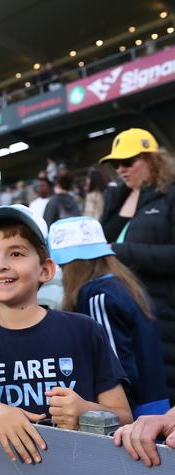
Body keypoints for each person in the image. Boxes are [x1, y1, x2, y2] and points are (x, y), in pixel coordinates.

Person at [0, 205, 132, 464]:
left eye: (16, 253)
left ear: (45, 270)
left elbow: (124, 415)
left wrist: (86, 411)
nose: (0, 265)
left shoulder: (83, 330)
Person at [49, 216, 169, 418]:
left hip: (135, 416)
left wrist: (115, 415)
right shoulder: (123, 284)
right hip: (154, 403)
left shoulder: (99, 295)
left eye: (63, 265)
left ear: (74, 265)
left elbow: (115, 370)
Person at [99, 128, 175, 405]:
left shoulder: (170, 195)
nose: (120, 169)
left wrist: (121, 251)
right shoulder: (118, 196)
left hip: (162, 313)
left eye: (128, 162)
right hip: (120, 313)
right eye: (116, 164)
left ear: (152, 159)